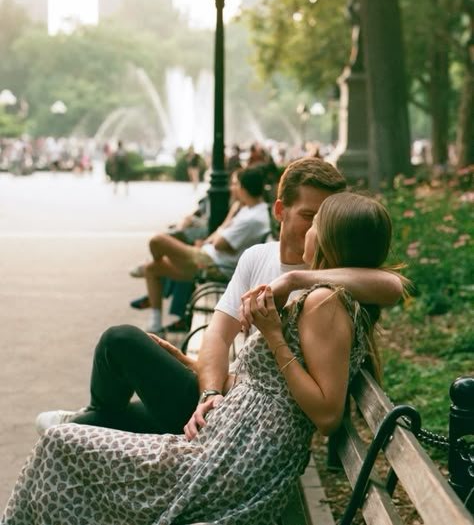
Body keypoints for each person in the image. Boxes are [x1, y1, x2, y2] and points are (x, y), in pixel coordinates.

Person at [2, 192, 403, 525]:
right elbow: (274, 388)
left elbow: (327, 415)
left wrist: (275, 337)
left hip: (232, 465)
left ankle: (78, 427)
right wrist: (198, 369)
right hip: (223, 447)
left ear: (331, 238)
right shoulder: (326, 295)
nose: (309, 229)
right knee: (65, 444)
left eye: (317, 223)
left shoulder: (324, 304)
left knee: (60, 445)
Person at [34, 157, 402, 437]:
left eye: (325, 217)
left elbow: (394, 287)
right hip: (226, 399)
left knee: (119, 342)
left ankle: (86, 418)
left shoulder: (332, 292)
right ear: (280, 211)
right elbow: (218, 333)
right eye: (310, 215)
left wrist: (294, 279)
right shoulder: (259, 257)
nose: (317, 227)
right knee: (106, 403)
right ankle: (88, 418)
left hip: (248, 422)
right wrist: (209, 387)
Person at [130, 166, 271, 334]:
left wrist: (220, 231)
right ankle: (155, 325)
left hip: (212, 265)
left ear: (243, 187)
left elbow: (218, 243)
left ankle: (153, 261)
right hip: (209, 257)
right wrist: (231, 215)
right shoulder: (249, 210)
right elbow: (217, 238)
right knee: (151, 269)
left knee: (157, 240)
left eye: (234, 184)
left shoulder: (252, 218)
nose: (232, 188)